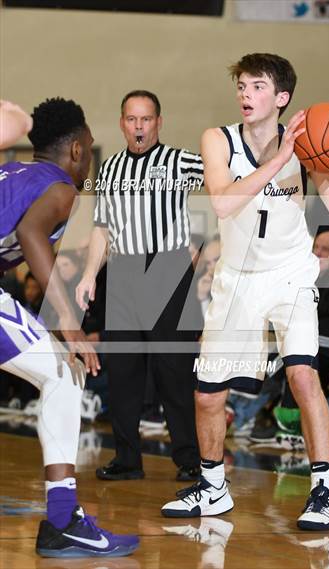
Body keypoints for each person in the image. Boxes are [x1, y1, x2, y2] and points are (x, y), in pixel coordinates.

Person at [161, 53, 329, 530]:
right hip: (236, 279)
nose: (245, 94)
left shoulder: (308, 147)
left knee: (302, 376)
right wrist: (279, 158)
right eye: (242, 86)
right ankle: (213, 489)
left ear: (281, 98)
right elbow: (225, 201)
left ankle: (323, 493)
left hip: (291, 276)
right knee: (209, 395)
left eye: (256, 87)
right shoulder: (219, 139)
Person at [0, 98, 139, 557]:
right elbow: (31, 236)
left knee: (59, 370)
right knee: (63, 373)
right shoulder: (59, 186)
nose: (93, 158)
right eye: (92, 148)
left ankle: (64, 520)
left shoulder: (13, 172)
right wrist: (70, 326)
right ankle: (63, 520)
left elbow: (34, 251)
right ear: (77, 150)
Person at [76, 90, 203, 483]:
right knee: (124, 371)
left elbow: (224, 184)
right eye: (132, 119)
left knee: (174, 371)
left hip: (169, 269)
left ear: (159, 123)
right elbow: (101, 229)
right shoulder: (109, 169)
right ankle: (128, 459)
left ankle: (190, 460)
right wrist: (87, 274)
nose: (139, 126)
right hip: (124, 271)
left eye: (146, 119)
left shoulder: (180, 161)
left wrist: (200, 249)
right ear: (121, 123)